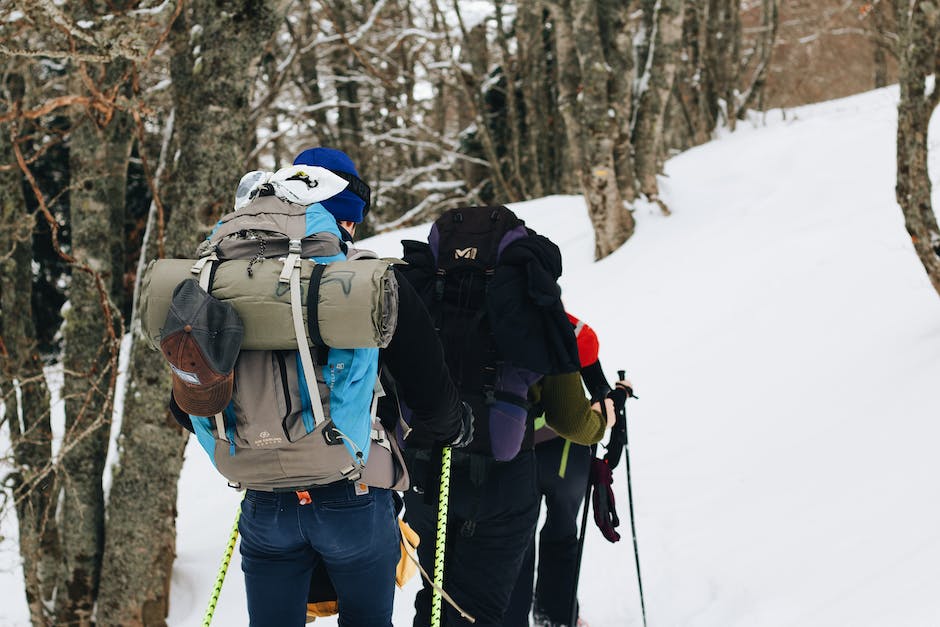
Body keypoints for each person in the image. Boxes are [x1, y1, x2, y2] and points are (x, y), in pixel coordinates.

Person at [168, 146, 472, 627]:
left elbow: (185, 404)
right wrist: (454, 427)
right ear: (343, 218)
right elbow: (431, 392)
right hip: (350, 492)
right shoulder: (365, 280)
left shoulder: (217, 278)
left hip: (262, 502)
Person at [393, 207, 630, 627]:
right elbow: (571, 421)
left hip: (424, 475)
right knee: (481, 610)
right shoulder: (534, 310)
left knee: (436, 597)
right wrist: (604, 418)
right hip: (501, 483)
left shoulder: (421, 298)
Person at [503, 313, 628, 627]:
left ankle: (516, 618)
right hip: (566, 446)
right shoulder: (560, 321)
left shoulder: (495, 309)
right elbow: (594, 377)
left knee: (518, 537)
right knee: (560, 533)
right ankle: (556, 616)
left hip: (514, 446)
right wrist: (613, 402)